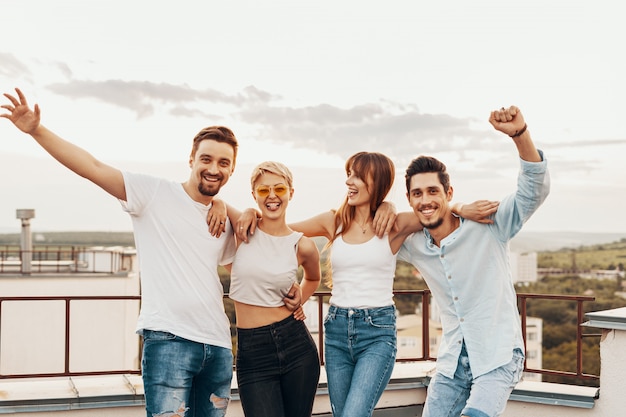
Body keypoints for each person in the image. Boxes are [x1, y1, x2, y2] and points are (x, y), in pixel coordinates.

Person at [0, 88, 300, 417]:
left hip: (217, 348)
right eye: (206, 159)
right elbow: (93, 167)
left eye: (223, 163)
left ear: (231, 171)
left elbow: (254, 264)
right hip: (169, 341)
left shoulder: (225, 220)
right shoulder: (153, 194)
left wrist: (293, 281)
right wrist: (36, 130)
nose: (214, 168)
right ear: (191, 160)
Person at [234, 151, 496, 417]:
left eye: (358, 176)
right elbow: (280, 229)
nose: (349, 181)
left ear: (377, 183)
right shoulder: (334, 221)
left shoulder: (393, 224)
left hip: (376, 334)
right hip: (336, 332)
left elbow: (432, 211)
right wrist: (249, 212)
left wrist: (459, 207)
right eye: (349, 174)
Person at [398, 106, 550, 417]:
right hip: (452, 361)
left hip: (498, 357)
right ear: (409, 199)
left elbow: (533, 192)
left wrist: (520, 135)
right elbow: (367, 227)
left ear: (448, 191)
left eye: (433, 191)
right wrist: (455, 207)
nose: (425, 200)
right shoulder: (414, 245)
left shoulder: (488, 225)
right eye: (417, 194)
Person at [227, 161, 321, 417]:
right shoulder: (242, 229)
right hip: (252, 351)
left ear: (291, 192)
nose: (271, 196)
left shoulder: (302, 245)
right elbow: (218, 204)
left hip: (296, 345)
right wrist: (246, 211)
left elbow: (313, 279)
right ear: (254, 195)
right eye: (263, 190)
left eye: (279, 189)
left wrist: (300, 295)